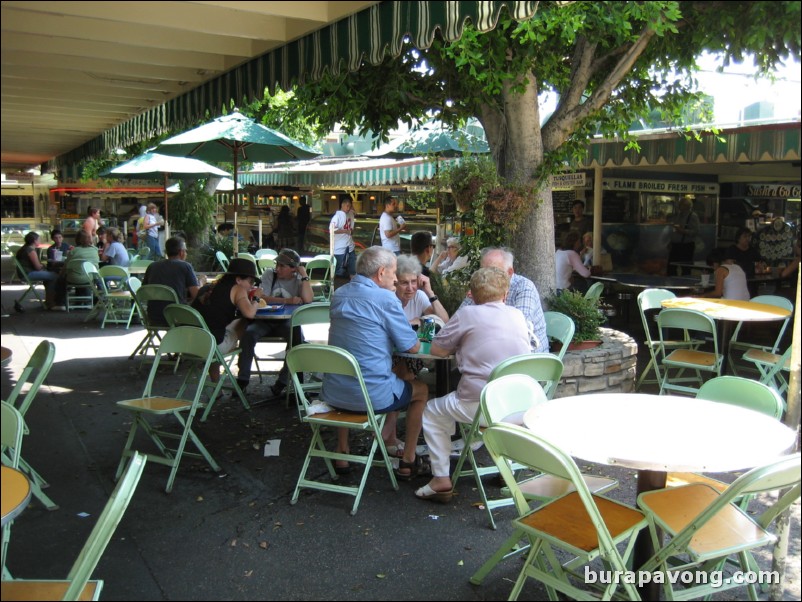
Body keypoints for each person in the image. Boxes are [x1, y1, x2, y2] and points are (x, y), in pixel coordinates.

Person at [416, 267, 531, 502]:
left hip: (480, 404)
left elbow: (437, 349)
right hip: (518, 406)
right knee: (482, 412)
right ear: (505, 294)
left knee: (433, 411)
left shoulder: (467, 314)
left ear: (472, 294)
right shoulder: (518, 315)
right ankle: (506, 469)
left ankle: (441, 478)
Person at [321, 246, 429, 479]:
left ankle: (342, 452)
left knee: (349, 370)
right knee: (421, 390)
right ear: (381, 273)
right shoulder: (385, 299)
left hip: (334, 392)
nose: (394, 279)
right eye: (393, 274)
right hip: (371, 396)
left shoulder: (339, 294)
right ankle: (408, 460)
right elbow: (411, 347)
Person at [237, 248, 313, 395]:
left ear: (293, 269)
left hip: (285, 322)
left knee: (296, 340)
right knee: (248, 334)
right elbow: (262, 296)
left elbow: (308, 299)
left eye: (282, 266)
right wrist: (287, 300)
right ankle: (242, 380)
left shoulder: (299, 280)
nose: (277, 269)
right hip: (264, 320)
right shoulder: (269, 274)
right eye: (277, 265)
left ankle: (282, 382)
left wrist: (304, 276)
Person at [460, 247, 548, 353]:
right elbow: (459, 319)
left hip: (528, 358)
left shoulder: (524, 287)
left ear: (509, 272)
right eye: (483, 271)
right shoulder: (482, 284)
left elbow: (520, 332)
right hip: (494, 353)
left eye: (493, 271)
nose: (485, 277)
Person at [192, 258, 261, 383]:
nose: (251, 286)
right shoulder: (238, 289)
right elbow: (250, 314)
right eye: (250, 282)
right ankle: (243, 365)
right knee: (244, 321)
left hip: (189, 344)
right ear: (238, 280)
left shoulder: (208, 287)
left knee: (214, 330)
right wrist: (256, 298)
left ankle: (216, 387)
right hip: (212, 347)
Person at [143, 237, 200, 326]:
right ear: (181, 252)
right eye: (185, 251)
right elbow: (196, 295)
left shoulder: (152, 266)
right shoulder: (185, 266)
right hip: (178, 317)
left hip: (154, 317)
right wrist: (201, 282)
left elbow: (145, 291)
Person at [394, 255, 449, 325]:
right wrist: (410, 323)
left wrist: (430, 293)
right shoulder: (389, 298)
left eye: (413, 281)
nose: (410, 288)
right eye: (404, 283)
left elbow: (444, 321)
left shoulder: (418, 296)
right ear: (395, 282)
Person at [54, 230, 100, 308]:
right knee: (82, 275)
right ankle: (85, 301)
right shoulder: (95, 250)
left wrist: (60, 275)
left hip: (73, 278)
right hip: (89, 278)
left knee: (60, 280)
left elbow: (66, 266)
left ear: (77, 240)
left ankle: (61, 303)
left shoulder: (74, 251)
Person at [15, 231, 59, 310]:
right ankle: (52, 303)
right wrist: (44, 265)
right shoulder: (31, 250)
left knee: (48, 279)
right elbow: (38, 267)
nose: (40, 241)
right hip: (28, 273)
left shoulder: (24, 248)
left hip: (24, 273)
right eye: (39, 239)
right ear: (34, 241)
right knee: (55, 276)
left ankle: (49, 302)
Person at [667, 197, 699, 275]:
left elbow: (695, 231)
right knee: (671, 266)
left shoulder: (692, 216)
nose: (679, 206)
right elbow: (675, 229)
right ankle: (672, 284)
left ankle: (684, 283)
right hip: (676, 245)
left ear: (687, 206)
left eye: (681, 204)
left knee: (685, 268)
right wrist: (671, 241)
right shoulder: (678, 215)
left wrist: (683, 231)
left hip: (686, 246)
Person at [329, 198, 356, 279]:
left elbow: (355, 212)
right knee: (338, 271)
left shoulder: (350, 214)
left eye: (349, 206)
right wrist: (345, 231)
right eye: (347, 206)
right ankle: (333, 287)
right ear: (342, 205)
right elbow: (331, 229)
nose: (348, 208)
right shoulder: (337, 216)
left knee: (353, 270)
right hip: (339, 248)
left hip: (350, 246)